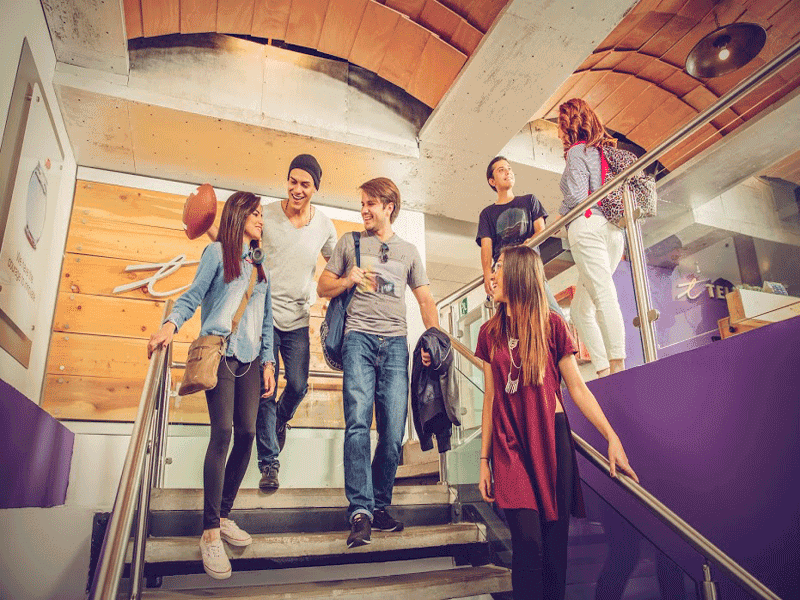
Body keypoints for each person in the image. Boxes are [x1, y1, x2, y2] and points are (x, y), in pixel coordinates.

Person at [476, 245, 638, 600]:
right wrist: (484, 460)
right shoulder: (488, 334)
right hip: (508, 444)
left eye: (499, 266)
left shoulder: (552, 325)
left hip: (551, 440)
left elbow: (577, 389)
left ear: (519, 273)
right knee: (529, 545)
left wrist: (611, 437)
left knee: (554, 550)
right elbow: (490, 399)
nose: (492, 273)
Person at [148, 191, 276, 580]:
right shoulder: (217, 254)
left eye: (261, 215)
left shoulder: (259, 263)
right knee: (222, 434)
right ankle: (208, 532)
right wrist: (169, 326)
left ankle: (223, 515)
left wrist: (270, 361)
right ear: (239, 215)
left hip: (252, 359)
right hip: (219, 352)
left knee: (249, 433)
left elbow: (267, 318)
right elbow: (193, 295)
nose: (261, 220)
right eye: (255, 213)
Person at [317, 177, 438, 548]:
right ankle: (360, 512)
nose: (364, 210)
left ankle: (380, 504)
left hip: (396, 346)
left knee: (393, 431)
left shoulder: (409, 251)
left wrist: (435, 340)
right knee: (357, 424)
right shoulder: (349, 243)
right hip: (358, 341)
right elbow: (323, 286)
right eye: (362, 204)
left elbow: (425, 299)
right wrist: (348, 278)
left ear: (389, 207)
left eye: (371, 204)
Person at [207, 154, 337, 490]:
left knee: (297, 386)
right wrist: (214, 234)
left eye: (304, 184)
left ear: (315, 188)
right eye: (292, 181)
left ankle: (280, 420)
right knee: (265, 391)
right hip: (262, 318)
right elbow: (245, 250)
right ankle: (270, 465)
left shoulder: (324, 226)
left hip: (296, 319)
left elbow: (337, 265)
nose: (296, 188)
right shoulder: (268, 216)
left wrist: (359, 286)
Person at [557, 98, 626, 377]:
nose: (559, 133)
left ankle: (618, 367)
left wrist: (561, 211)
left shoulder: (576, 152)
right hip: (612, 230)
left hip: (587, 228)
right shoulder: (602, 151)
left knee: (603, 295)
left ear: (569, 124)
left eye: (560, 126)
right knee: (579, 310)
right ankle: (602, 368)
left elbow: (576, 197)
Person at [477, 156, 564, 316]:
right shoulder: (487, 214)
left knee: (553, 313)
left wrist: (528, 243)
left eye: (509, 169)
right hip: (505, 273)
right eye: (501, 170)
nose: (507, 172)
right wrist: (487, 273)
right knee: (508, 322)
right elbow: (486, 247)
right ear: (492, 181)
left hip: (529, 267)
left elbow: (541, 231)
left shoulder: (529, 200)